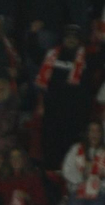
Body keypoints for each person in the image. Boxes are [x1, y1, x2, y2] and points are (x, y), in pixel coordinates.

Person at [35, 24, 90, 169]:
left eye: (74, 38)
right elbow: (44, 84)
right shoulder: (51, 55)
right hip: (52, 110)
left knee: (70, 149)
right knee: (51, 148)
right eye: (68, 37)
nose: (71, 40)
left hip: (74, 113)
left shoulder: (86, 59)